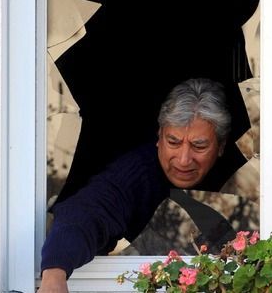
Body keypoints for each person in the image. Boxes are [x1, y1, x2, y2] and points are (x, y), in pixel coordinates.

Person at [39, 78, 232, 293]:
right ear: (159, 137)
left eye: (199, 146)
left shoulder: (248, 178)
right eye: (173, 142)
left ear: (221, 145)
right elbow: (86, 212)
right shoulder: (136, 173)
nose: (184, 159)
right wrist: (54, 274)